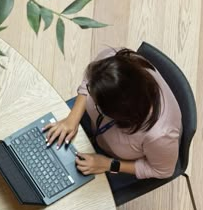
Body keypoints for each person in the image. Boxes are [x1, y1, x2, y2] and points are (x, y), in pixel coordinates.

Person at [43, 47, 182, 182]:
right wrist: (72, 119)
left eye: (95, 101)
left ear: (116, 112)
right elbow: (88, 80)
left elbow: (163, 171)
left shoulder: (160, 136)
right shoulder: (113, 62)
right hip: (97, 129)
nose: (88, 93)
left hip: (118, 162)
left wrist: (109, 164)